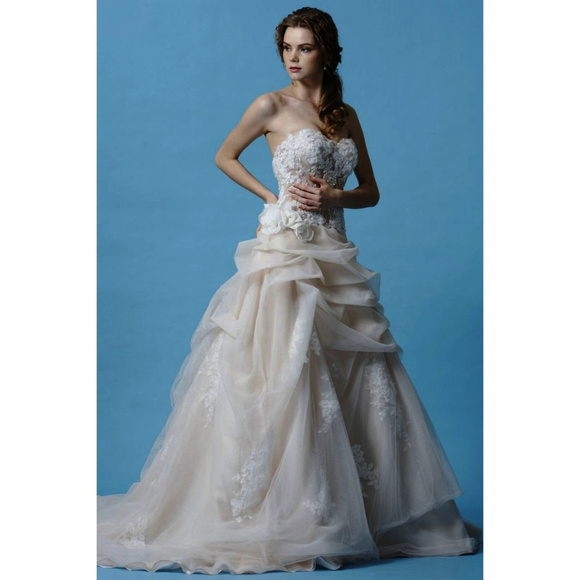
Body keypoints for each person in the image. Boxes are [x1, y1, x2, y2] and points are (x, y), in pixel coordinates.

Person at [97, 6, 481, 574]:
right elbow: (224, 155)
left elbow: (371, 191)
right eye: (286, 48)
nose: (293, 58)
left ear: (327, 51)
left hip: (335, 257)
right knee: (285, 369)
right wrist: (271, 198)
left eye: (304, 47)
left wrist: (335, 198)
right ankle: (292, 509)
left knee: (359, 372)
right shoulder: (269, 105)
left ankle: (368, 513)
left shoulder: (345, 114)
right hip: (287, 257)